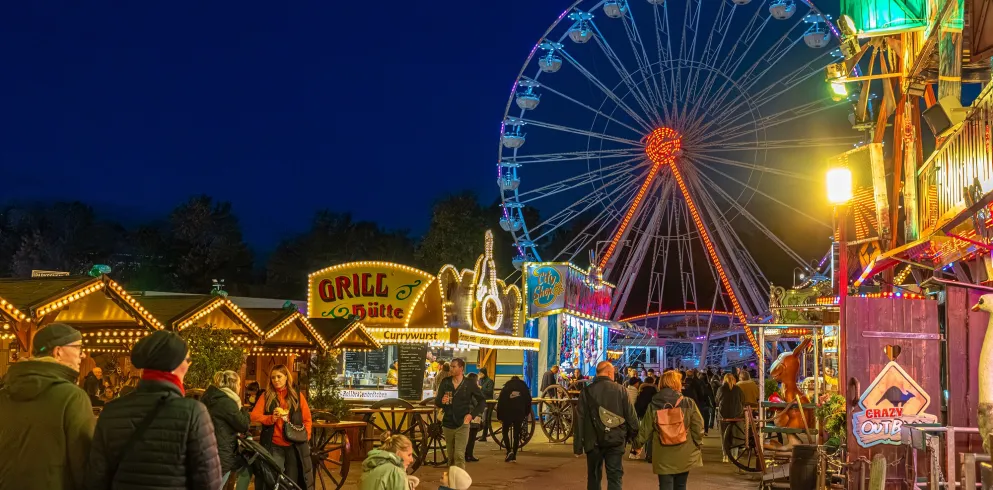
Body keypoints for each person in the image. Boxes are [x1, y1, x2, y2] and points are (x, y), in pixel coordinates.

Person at [86, 329, 221, 490]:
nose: (189, 364)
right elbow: (209, 482)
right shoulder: (193, 413)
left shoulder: (111, 411)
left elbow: (96, 478)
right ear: (175, 364)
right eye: (188, 359)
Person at [0, 323, 93, 490]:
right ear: (58, 352)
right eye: (78, 348)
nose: (83, 355)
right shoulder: (72, 397)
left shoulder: (4, 394)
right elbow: (83, 462)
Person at [632, 370, 705, 490]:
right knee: (681, 485)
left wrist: (637, 445)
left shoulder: (654, 404)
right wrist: (698, 443)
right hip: (684, 451)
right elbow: (699, 426)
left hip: (663, 453)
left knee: (665, 486)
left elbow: (645, 429)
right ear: (676, 383)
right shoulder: (688, 403)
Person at [574, 361, 639, 490]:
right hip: (615, 440)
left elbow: (579, 419)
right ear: (609, 372)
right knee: (615, 477)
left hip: (593, 441)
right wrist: (633, 437)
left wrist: (578, 446)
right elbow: (632, 417)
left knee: (594, 477)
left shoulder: (586, 392)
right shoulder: (621, 390)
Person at [251, 364, 314, 490]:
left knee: (292, 480)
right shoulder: (266, 395)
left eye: (279, 376)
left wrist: (305, 436)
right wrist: (270, 419)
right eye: (273, 377)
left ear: (286, 377)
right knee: (274, 480)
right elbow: (254, 416)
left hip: (293, 445)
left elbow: (307, 419)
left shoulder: (297, 396)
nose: (276, 380)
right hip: (274, 444)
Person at [435, 358, 486, 470]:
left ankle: (460, 483)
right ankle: (452, 482)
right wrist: (441, 401)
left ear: (461, 368)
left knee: (459, 454)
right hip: (447, 422)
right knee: (451, 457)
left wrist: (471, 415)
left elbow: (482, 401)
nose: (451, 369)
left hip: (463, 423)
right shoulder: (445, 382)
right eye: (451, 367)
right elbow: (437, 402)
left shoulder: (469, 383)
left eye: (454, 366)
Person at [202, 370, 251, 486]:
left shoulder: (211, 397)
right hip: (221, 453)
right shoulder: (227, 403)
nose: (240, 387)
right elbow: (243, 425)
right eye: (239, 384)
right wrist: (243, 409)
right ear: (234, 385)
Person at [497, 375, 532, 462]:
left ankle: (509, 451)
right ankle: (514, 454)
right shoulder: (524, 388)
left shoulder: (506, 387)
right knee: (516, 434)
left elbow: (500, 402)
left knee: (505, 432)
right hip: (519, 413)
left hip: (507, 413)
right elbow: (528, 401)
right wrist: (526, 413)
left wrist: (499, 416)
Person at [716, 373, 745, 463]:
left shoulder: (721, 389)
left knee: (724, 435)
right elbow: (742, 401)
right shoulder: (738, 389)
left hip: (723, 416)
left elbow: (717, 401)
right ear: (734, 380)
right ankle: (735, 456)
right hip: (736, 416)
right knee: (735, 436)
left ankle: (725, 456)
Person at [633, 375, 659, 462]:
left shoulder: (641, 390)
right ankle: (649, 455)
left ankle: (635, 453)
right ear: (653, 382)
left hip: (642, 414)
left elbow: (638, 403)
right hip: (652, 414)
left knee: (642, 433)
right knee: (651, 435)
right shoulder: (655, 391)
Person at [464, 373, 482, 462]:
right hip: (473, 416)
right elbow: (476, 402)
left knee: (465, 437)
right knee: (471, 438)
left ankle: (464, 454)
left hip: (464, 416)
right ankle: (469, 455)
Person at [694, 371, 716, 436]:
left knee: (699, 417)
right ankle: (706, 430)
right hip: (706, 402)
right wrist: (713, 403)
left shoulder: (697, 384)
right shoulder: (708, 385)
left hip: (699, 402)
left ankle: (701, 430)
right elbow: (711, 394)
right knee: (706, 417)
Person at [477, 367, 495, 442]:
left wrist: (481, 388)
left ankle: (484, 436)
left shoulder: (490, 381)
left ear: (484, 373)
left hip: (488, 402)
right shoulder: (480, 380)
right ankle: (480, 431)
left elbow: (489, 391)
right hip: (481, 401)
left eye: (481, 373)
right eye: (479, 373)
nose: (479, 375)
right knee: (480, 418)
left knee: (486, 419)